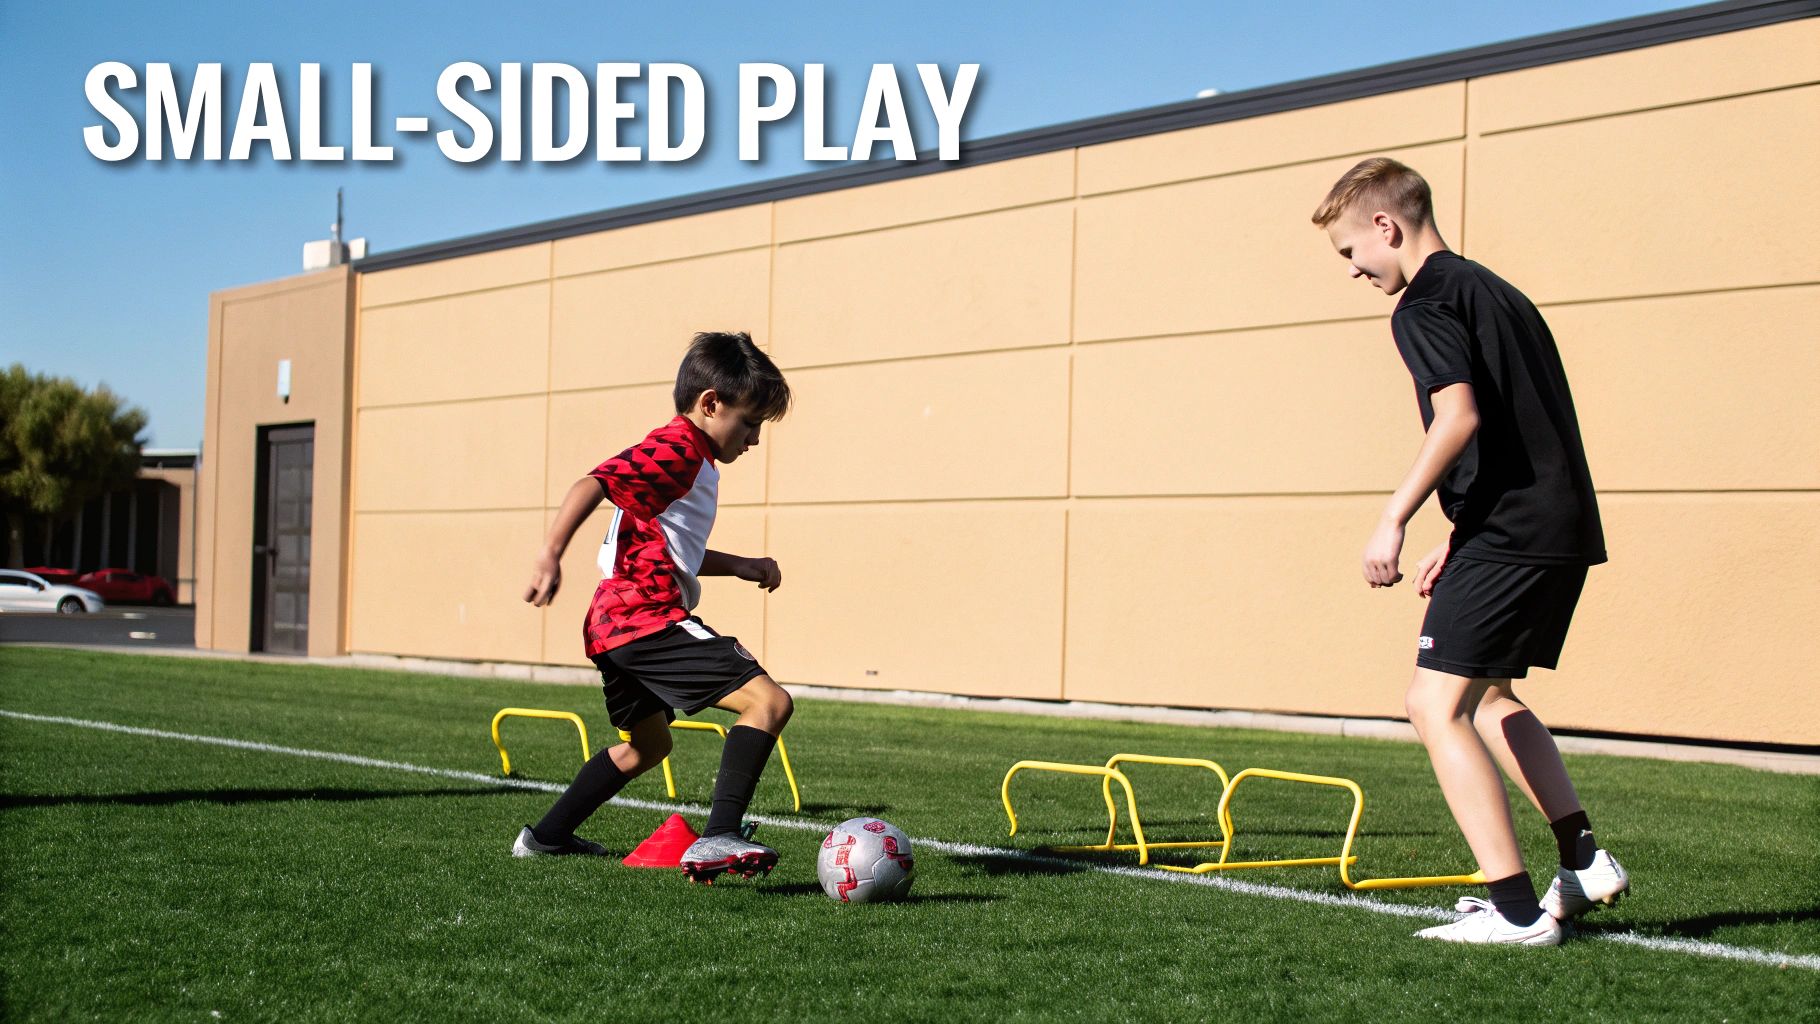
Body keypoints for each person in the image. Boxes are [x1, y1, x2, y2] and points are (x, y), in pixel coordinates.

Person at [1311, 157, 1628, 944]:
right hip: (1552, 527)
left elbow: (1459, 419)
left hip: (1515, 533)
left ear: (1386, 226)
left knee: (1432, 704)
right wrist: (1461, 532)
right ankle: (1582, 860)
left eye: (1351, 252)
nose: (1353, 271)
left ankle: (1518, 912)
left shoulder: (1421, 306)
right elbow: (1523, 427)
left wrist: (1395, 518)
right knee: (1486, 697)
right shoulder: (1497, 291)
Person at [514, 330, 794, 884]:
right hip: (645, 617)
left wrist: (739, 563)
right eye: (749, 423)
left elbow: (672, 546)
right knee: (768, 702)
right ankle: (717, 838)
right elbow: (593, 481)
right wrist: (549, 554)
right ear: (711, 404)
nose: (754, 440)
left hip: (612, 624)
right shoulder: (677, 448)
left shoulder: (693, 461)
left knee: (647, 746)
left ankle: (545, 837)